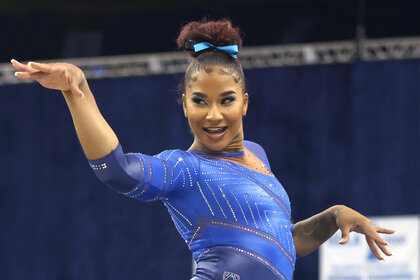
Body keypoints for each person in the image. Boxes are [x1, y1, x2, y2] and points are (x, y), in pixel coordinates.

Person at [11, 18, 394, 280]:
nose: (213, 115)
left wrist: (333, 216)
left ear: (244, 102)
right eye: (199, 101)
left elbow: (282, 243)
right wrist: (77, 92)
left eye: (226, 100)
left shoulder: (258, 155)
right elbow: (117, 171)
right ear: (184, 105)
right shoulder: (183, 168)